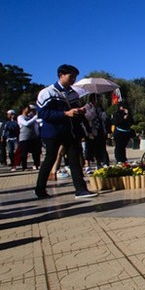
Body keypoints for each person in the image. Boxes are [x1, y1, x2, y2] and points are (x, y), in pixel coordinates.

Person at [34, 64, 98, 199]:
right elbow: (43, 113)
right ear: (61, 75)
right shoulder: (48, 92)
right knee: (50, 159)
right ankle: (40, 189)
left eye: (75, 77)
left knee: (75, 160)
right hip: (53, 132)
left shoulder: (73, 93)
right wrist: (65, 114)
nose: (73, 80)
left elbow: (73, 111)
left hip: (70, 132)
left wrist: (80, 112)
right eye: (71, 77)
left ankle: (81, 189)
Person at [17, 104, 42, 170]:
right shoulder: (20, 117)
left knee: (36, 152)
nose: (29, 110)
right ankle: (24, 167)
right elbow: (26, 123)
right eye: (28, 109)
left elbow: (38, 123)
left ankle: (36, 164)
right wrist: (35, 118)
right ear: (23, 109)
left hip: (33, 137)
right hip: (24, 138)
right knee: (24, 153)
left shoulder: (31, 117)